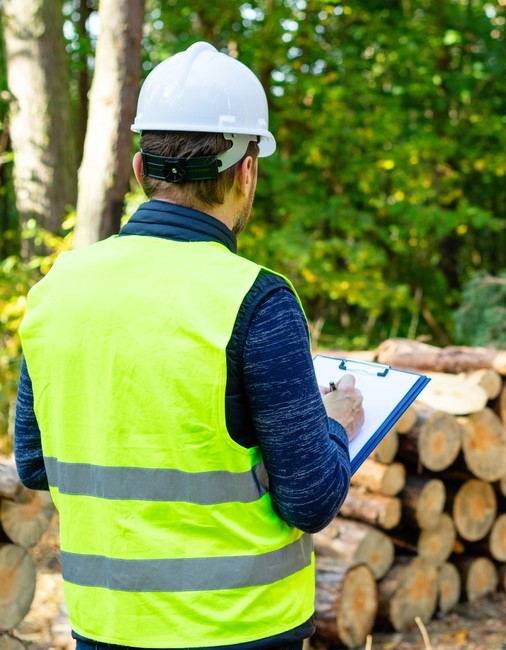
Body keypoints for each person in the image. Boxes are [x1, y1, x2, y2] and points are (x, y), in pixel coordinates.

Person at [14, 41, 363, 649]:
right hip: (244, 629)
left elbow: (35, 464)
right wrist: (335, 425)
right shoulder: (257, 299)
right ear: (247, 171)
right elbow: (311, 498)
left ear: (140, 170)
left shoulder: (56, 290)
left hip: (105, 627)